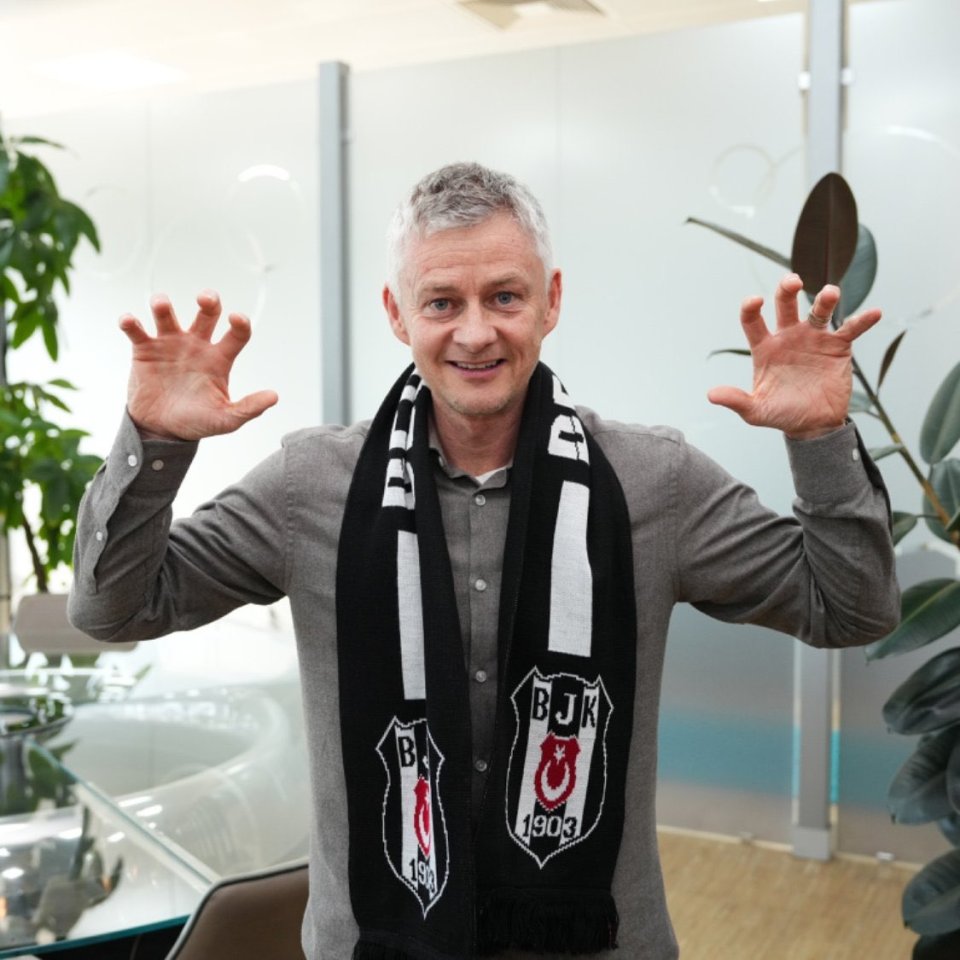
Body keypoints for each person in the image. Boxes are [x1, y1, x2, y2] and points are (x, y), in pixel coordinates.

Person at [69, 162, 899, 960]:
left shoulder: (656, 481)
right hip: (372, 946)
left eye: (505, 296)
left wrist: (820, 438)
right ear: (398, 314)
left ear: (552, 302)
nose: (476, 331)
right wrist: (156, 445)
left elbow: (851, 608)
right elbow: (117, 608)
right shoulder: (309, 486)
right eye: (442, 301)